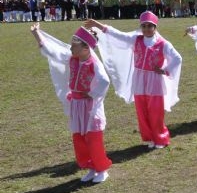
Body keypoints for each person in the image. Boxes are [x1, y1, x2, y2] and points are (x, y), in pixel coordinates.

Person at [86, 11, 182, 149]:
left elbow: (177, 58)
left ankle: (160, 138)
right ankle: (149, 137)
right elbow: (118, 35)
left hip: (154, 80)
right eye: (144, 26)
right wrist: (98, 25)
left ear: (155, 27)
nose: (147, 29)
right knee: (141, 110)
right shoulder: (136, 39)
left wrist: (165, 70)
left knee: (156, 111)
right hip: (139, 79)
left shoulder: (163, 44)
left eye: (150, 26)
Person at [31, 23, 112, 183]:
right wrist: (37, 34)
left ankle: (102, 169)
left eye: (74, 46)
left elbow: (104, 81)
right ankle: (91, 167)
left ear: (85, 48)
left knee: (93, 137)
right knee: (79, 137)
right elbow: (53, 53)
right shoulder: (73, 59)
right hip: (76, 104)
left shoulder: (93, 63)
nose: (71, 48)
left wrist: (90, 94)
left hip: (90, 106)